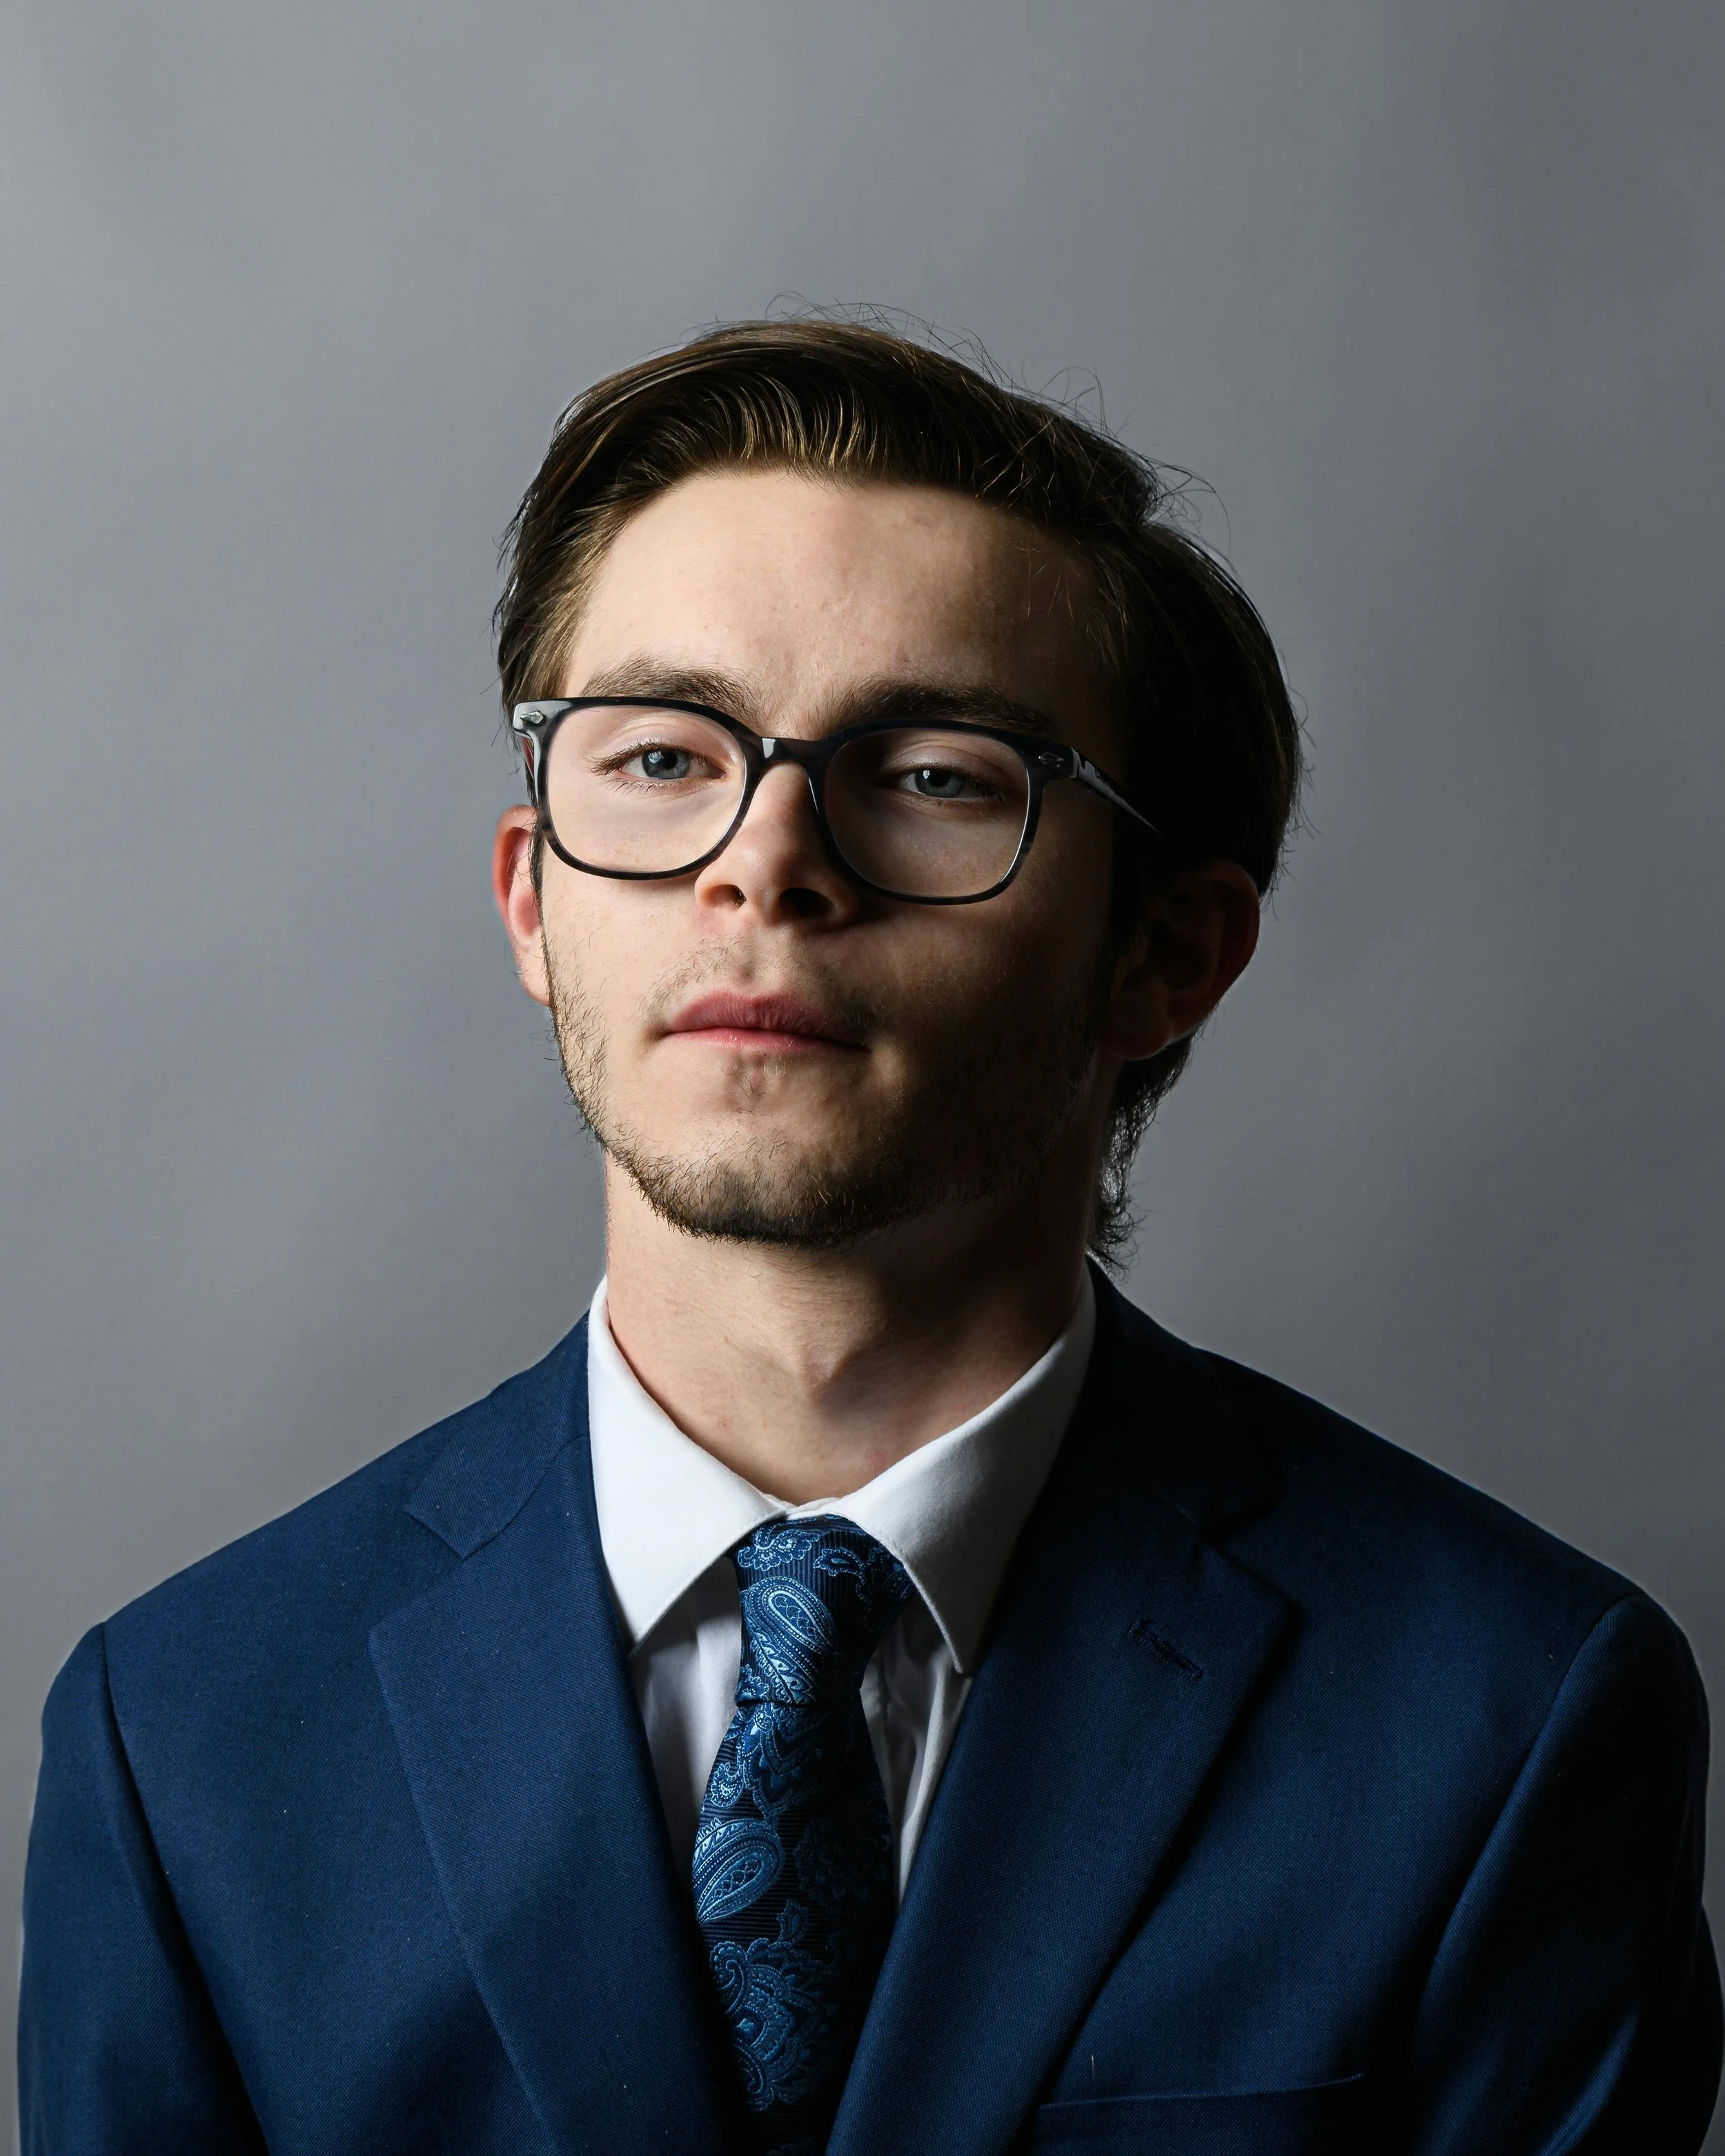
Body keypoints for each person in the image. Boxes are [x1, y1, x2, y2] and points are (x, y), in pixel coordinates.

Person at [19, 319, 1720, 2155]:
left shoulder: (1507, 1715)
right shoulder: (186, 1735)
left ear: (1167, 952)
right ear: (532, 900)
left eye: (933, 775)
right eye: (662, 757)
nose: (766, 860)